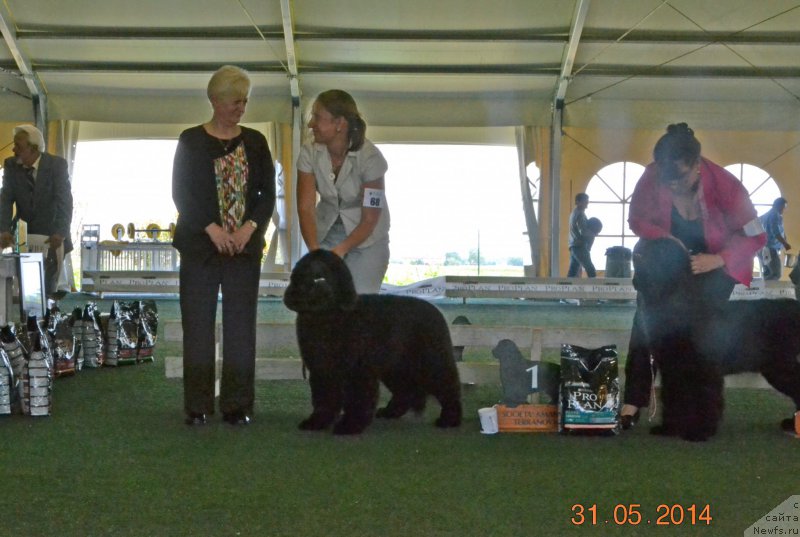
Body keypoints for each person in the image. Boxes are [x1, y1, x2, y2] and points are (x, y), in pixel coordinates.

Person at [620, 122, 765, 429]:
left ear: (697, 165)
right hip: (668, 260)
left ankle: (702, 417)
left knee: (697, 338)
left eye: (678, 177)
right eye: (665, 176)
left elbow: (755, 236)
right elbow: (636, 220)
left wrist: (719, 258)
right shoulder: (651, 176)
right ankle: (634, 401)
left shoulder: (727, 185)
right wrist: (668, 241)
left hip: (717, 266)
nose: (670, 183)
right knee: (648, 321)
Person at [172, 65, 276, 426]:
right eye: (235, 101)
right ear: (215, 101)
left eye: (245, 101)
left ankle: (238, 405)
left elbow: (266, 196)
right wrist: (212, 230)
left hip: (244, 251)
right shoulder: (190, 140)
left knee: (240, 327)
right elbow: (181, 192)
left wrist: (248, 229)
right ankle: (197, 405)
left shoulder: (257, 142)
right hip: (200, 249)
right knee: (198, 327)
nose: (241, 108)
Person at [296, 89, 390, 294]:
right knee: (323, 301)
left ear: (339, 124)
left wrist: (340, 251)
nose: (311, 123)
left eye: (317, 117)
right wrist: (315, 252)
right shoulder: (308, 151)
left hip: (368, 239)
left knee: (359, 304)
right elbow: (305, 207)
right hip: (327, 232)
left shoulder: (371, 158)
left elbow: (370, 218)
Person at [0, 124, 73, 298]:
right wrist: (3, 230)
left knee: (47, 288)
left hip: (52, 236)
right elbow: (5, 200)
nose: (13, 149)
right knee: (26, 288)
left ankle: (46, 320)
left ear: (33, 149)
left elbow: (65, 201)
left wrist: (60, 232)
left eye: (19, 146)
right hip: (24, 235)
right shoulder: (11, 165)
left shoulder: (56, 165)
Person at [758, 197, 790, 281]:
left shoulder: (766, 215)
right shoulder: (774, 214)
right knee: (776, 274)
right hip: (769, 248)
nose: (784, 210)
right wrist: (785, 243)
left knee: (767, 273)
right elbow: (775, 232)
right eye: (784, 207)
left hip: (761, 248)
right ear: (779, 205)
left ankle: (765, 292)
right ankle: (770, 293)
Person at [566, 193, 597, 278]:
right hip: (579, 246)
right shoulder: (580, 214)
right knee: (591, 270)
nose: (587, 203)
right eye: (585, 201)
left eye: (587, 201)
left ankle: (566, 289)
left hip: (573, 245)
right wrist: (593, 234)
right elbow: (583, 231)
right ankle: (594, 289)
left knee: (572, 271)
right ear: (578, 202)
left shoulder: (574, 213)